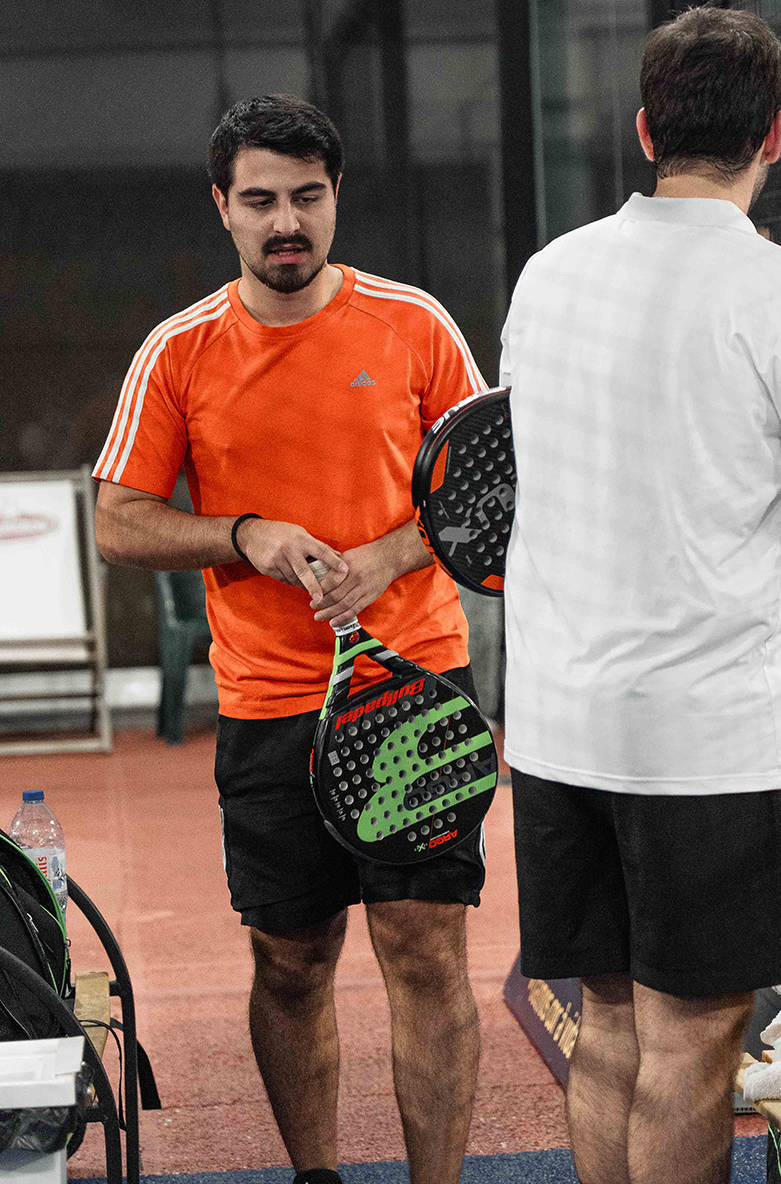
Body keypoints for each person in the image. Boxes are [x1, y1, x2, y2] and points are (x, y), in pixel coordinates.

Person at [499, 7, 781, 1184]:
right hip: (705, 744)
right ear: (773, 137)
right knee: (694, 1046)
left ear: (646, 131)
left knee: (607, 1027)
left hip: (559, 728)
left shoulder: (551, 275)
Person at [93, 94, 488, 1184]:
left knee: (423, 950)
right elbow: (117, 521)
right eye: (260, 199)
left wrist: (392, 556)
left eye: (307, 197)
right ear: (221, 206)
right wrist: (243, 534)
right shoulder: (179, 352)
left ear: (336, 197)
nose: (286, 222)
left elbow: (493, 484)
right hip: (268, 706)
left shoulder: (415, 324)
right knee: (292, 961)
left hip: (411, 691)